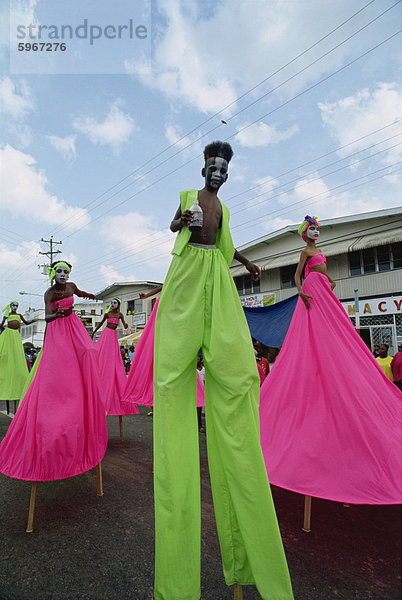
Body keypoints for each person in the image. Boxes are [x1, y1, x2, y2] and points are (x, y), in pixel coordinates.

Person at [153, 141, 293, 600]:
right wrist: (181, 220)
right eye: (213, 166)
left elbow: (227, 248)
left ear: (228, 175)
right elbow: (173, 227)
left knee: (239, 376)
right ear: (203, 169)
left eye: (224, 169)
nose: (218, 173)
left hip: (217, 275)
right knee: (171, 379)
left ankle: (247, 557)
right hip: (188, 277)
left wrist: (251, 264)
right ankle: (175, 583)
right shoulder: (187, 196)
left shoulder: (225, 208)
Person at [258, 216, 402, 506]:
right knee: (317, 330)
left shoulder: (318, 253)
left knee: (337, 331)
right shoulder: (306, 252)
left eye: (316, 229)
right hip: (313, 288)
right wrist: (302, 291)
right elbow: (297, 276)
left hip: (322, 286)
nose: (315, 232)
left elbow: (319, 271)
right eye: (311, 229)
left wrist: (329, 279)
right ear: (304, 235)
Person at [0, 261, 108, 482]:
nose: (63, 275)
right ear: (53, 274)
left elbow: (80, 292)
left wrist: (89, 296)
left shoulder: (71, 286)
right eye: (59, 271)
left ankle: (87, 383)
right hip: (58, 328)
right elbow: (47, 317)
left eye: (66, 272)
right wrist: (57, 314)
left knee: (89, 350)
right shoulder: (49, 293)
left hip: (74, 325)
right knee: (60, 365)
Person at [91, 298, 139, 417]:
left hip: (112, 335)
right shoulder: (108, 314)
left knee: (112, 356)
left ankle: (110, 368)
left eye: (115, 303)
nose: (113, 305)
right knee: (100, 353)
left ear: (118, 305)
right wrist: (94, 332)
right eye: (111, 303)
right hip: (106, 334)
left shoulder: (120, 314)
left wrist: (127, 324)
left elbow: (125, 324)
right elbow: (101, 324)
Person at [0, 301, 35, 404]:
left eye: (16, 306)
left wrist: (33, 320)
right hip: (9, 333)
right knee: (5, 352)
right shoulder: (8, 315)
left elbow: (26, 323)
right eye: (13, 305)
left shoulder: (19, 315)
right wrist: (4, 327)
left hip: (16, 335)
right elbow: (2, 324)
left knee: (17, 354)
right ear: (11, 306)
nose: (15, 307)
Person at [196, 354, 206, 433]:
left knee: (200, 409)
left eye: (198, 359)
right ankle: (199, 425)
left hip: (203, 390)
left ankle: (200, 425)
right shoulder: (194, 370)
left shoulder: (203, 370)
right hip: (196, 392)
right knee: (197, 409)